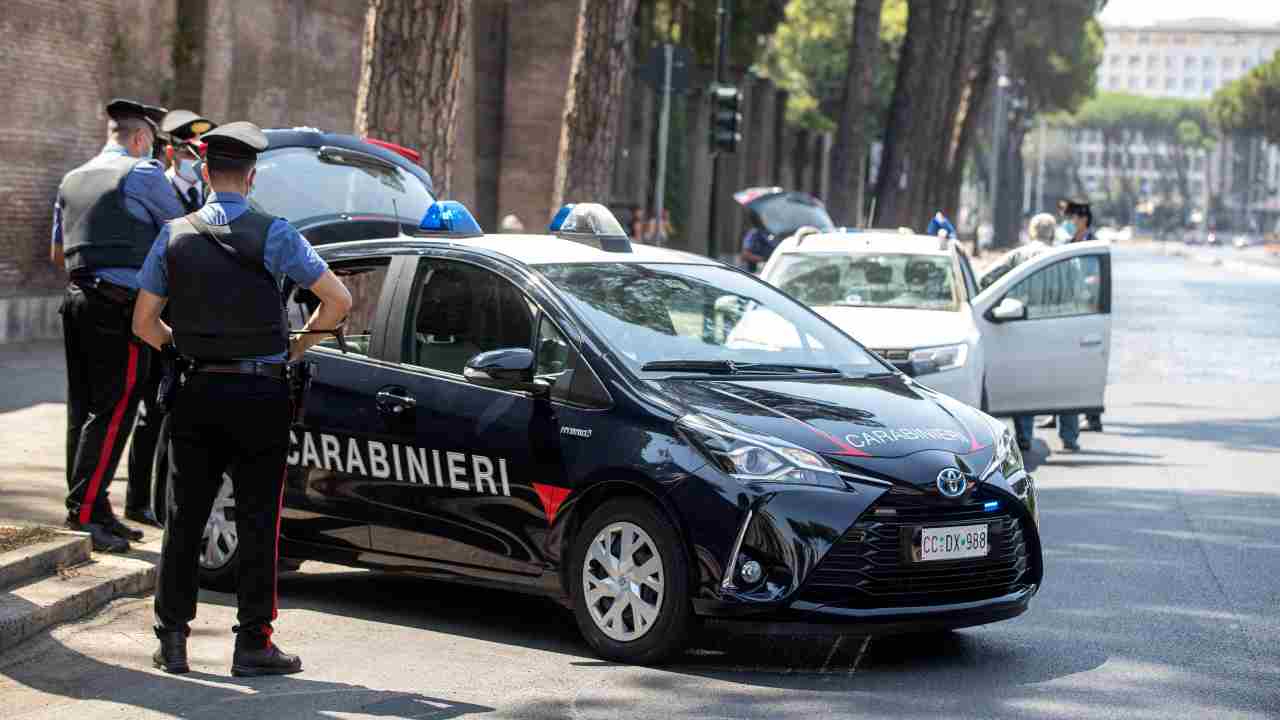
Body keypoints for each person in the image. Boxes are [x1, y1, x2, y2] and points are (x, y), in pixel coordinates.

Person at [133, 122, 352, 676]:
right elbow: (338, 300)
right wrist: (296, 349)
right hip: (260, 392)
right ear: (251, 178)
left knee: (185, 517)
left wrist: (181, 347)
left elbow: (142, 322)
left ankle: (174, 640)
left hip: (196, 390)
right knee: (258, 518)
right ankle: (253, 643)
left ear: (205, 174)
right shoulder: (275, 233)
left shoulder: (174, 234)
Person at [53, 98, 180, 552]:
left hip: (76, 300)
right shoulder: (142, 173)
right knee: (113, 411)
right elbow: (182, 231)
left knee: (83, 410)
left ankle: (94, 503)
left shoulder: (71, 179)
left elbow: (58, 252)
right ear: (143, 138)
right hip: (119, 307)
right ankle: (84, 512)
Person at [124, 110, 219, 527]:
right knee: (149, 412)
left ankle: (169, 500)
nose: (194, 159)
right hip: (159, 317)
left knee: (179, 414)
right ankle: (136, 499)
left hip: (193, 322)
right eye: (186, 150)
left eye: (200, 152)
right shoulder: (155, 190)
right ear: (169, 152)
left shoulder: (206, 196)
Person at [1007, 213, 1083, 453]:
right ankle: (1069, 438)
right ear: (1052, 233)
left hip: (1026, 327)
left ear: (1032, 232)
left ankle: (1025, 436)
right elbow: (1080, 294)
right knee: (1067, 385)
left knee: (1025, 382)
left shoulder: (1020, 256)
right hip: (1062, 328)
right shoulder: (1067, 259)